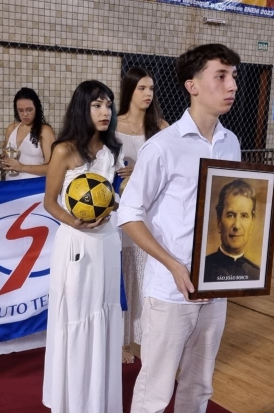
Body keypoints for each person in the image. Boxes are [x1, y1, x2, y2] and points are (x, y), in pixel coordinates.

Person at [118, 44, 274, 413]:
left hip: (216, 285)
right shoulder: (163, 146)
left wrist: (265, 195)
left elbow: (229, 204)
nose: (232, 86)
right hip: (170, 289)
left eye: (234, 77)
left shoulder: (230, 142)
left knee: (199, 385)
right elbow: (129, 215)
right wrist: (173, 265)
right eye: (221, 76)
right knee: (156, 390)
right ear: (192, 85)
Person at [42, 80, 124, 413]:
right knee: (76, 317)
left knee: (103, 314)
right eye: (97, 105)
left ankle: (97, 401)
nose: (105, 112)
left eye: (108, 105)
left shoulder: (112, 150)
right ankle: (71, 406)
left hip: (106, 241)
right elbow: (49, 202)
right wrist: (73, 220)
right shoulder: (63, 150)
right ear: (82, 108)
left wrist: (112, 205)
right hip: (76, 242)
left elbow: (110, 195)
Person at [115, 67, 169, 365]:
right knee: (126, 278)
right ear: (129, 90)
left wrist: (141, 169)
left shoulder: (160, 127)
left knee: (149, 278)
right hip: (122, 208)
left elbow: (171, 165)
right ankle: (123, 341)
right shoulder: (113, 125)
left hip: (152, 210)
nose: (148, 94)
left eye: (151, 88)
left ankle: (150, 340)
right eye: (142, 88)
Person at [203, 179, 260, 282]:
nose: (237, 225)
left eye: (244, 216)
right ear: (219, 222)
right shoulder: (202, 270)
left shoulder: (257, 275)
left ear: (251, 225)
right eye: (230, 215)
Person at [1, 87, 56, 180]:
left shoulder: (45, 131)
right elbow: (5, 157)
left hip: (33, 185)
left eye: (29, 110)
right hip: (11, 183)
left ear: (36, 108)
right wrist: (4, 163)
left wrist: (22, 167)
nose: (25, 114)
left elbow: (53, 167)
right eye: (20, 110)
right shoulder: (11, 128)